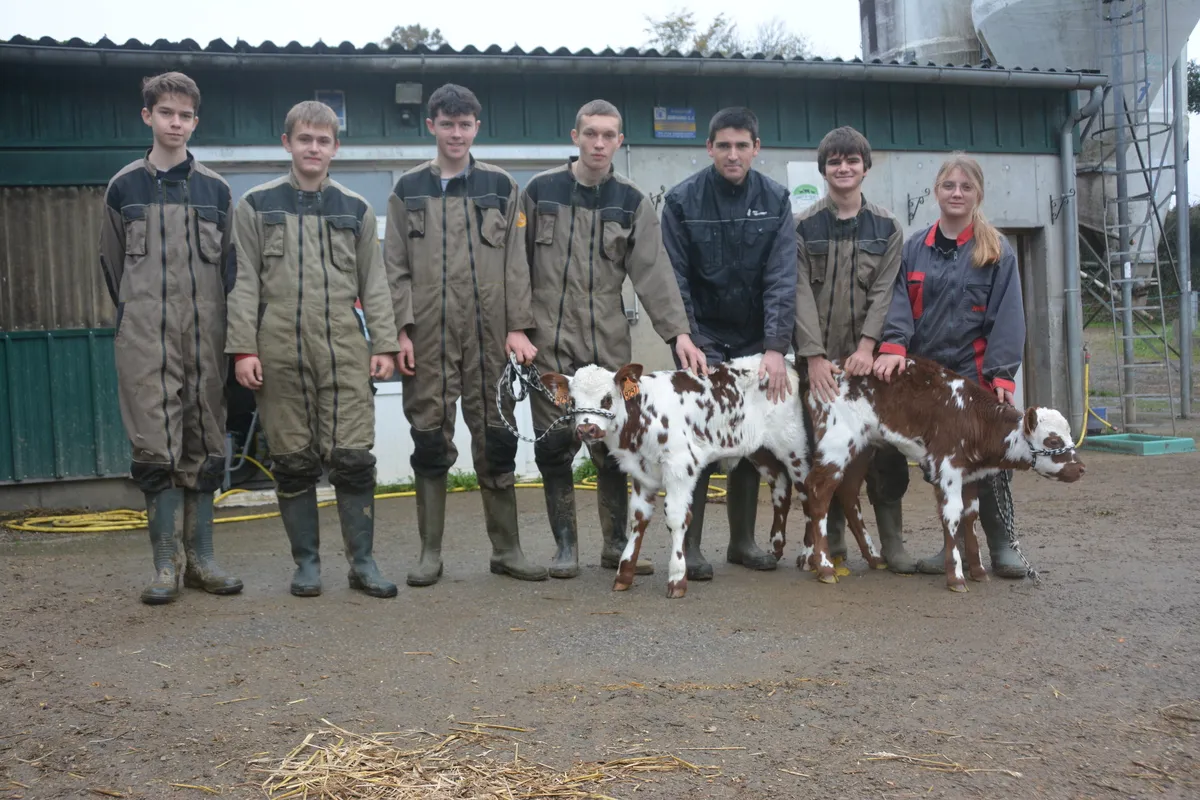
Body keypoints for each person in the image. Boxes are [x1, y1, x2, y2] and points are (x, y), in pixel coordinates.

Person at [521, 99, 707, 579]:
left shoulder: (631, 201)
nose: (599, 143)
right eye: (591, 133)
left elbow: (654, 274)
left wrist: (678, 335)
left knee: (612, 450)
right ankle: (565, 549)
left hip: (607, 347)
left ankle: (614, 546)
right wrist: (516, 328)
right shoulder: (539, 191)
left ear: (619, 141)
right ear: (575, 137)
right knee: (554, 447)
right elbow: (515, 267)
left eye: (608, 135)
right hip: (548, 345)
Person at [227, 100, 400, 598]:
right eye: (305, 139)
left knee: (353, 457)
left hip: (344, 345)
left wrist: (384, 344)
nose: (314, 148)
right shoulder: (255, 205)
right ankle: (306, 565)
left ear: (335, 148)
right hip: (278, 346)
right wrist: (242, 349)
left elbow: (375, 282)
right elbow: (242, 282)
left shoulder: (355, 208)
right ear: (287, 143)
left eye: (323, 140)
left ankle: (362, 563)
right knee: (292, 459)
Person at [384, 83, 547, 587]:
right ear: (431, 126)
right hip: (428, 336)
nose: (456, 133)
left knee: (497, 437)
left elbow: (517, 263)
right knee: (430, 439)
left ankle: (508, 550)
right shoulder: (407, 189)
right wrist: (400, 332)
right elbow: (394, 267)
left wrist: (518, 326)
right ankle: (429, 554)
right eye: (447, 124)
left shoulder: (501, 186)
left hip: (490, 336)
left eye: (464, 124)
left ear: (476, 127)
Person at [99, 72, 243, 605]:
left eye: (184, 115)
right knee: (154, 448)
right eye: (166, 113)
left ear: (195, 121)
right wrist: (140, 318)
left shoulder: (216, 190)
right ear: (148, 116)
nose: (175, 123)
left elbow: (231, 270)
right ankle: (166, 565)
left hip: (204, 338)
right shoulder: (123, 188)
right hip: (143, 340)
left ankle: (203, 560)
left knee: (204, 444)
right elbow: (111, 267)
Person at [872, 151, 1028, 578]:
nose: (956, 193)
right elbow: (898, 304)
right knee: (941, 465)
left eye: (966, 187)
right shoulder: (913, 249)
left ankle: (1003, 546)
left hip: (976, 378)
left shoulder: (996, 251)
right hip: (928, 379)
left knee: (991, 459)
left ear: (978, 194)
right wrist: (894, 345)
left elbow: (1008, 318)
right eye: (949, 186)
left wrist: (1002, 375)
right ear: (936, 192)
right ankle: (954, 547)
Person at [662, 106, 797, 581]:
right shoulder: (681, 201)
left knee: (748, 437)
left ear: (756, 148)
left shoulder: (776, 200)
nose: (733, 154)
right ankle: (691, 546)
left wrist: (775, 347)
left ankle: (742, 542)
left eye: (742, 145)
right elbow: (674, 278)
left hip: (757, 339)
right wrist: (688, 338)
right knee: (697, 439)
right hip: (701, 339)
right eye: (724, 145)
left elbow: (782, 278)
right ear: (709, 148)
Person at [793, 126, 916, 574]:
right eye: (834, 162)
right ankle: (834, 538)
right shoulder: (802, 226)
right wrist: (813, 357)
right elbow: (798, 293)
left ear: (865, 167)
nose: (843, 168)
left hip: (871, 365)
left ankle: (892, 541)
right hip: (820, 365)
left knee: (884, 451)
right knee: (825, 450)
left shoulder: (888, 227)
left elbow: (885, 291)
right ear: (823, 169)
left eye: (851, 161)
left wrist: (868, 348)